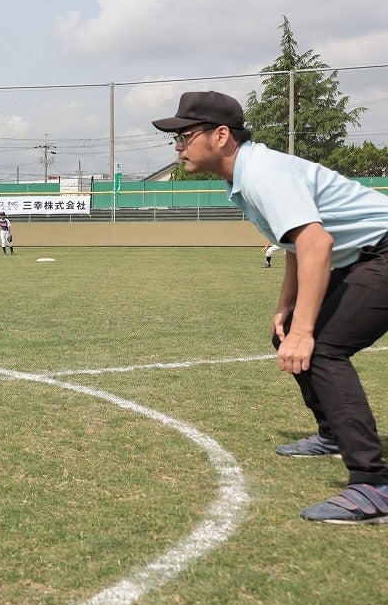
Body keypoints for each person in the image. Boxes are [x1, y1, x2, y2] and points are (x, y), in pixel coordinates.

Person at [154, 90, 388, 524]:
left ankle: (374, 483)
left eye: (185, 135)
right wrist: (288, 309)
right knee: (288, 334)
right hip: (363, 255)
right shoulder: (244, 175)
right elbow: (295, 243)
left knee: (322, 348)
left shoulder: (262, 173)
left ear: (220, 135)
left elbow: (317, 242)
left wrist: (306, 330)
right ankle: (333, 434)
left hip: (381, 251)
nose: (179, 147)